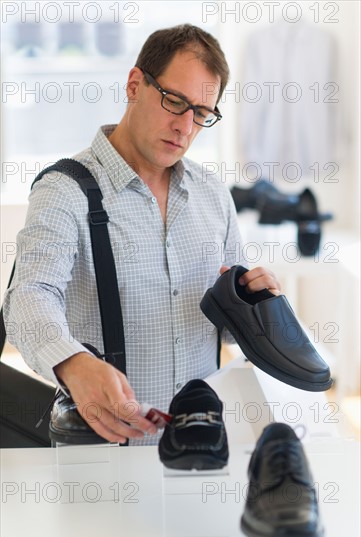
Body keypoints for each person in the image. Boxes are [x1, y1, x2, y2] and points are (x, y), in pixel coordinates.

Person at [4, 24, 281, 445]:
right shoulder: (64, 190)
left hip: (199, 447)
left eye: (202, 114)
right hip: (104, 451)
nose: (186, 127)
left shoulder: (213, 195)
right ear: (135, 85)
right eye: (175, 102)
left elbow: (223, 329)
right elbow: (30, 296)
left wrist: (253, 304)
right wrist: (74, 364)